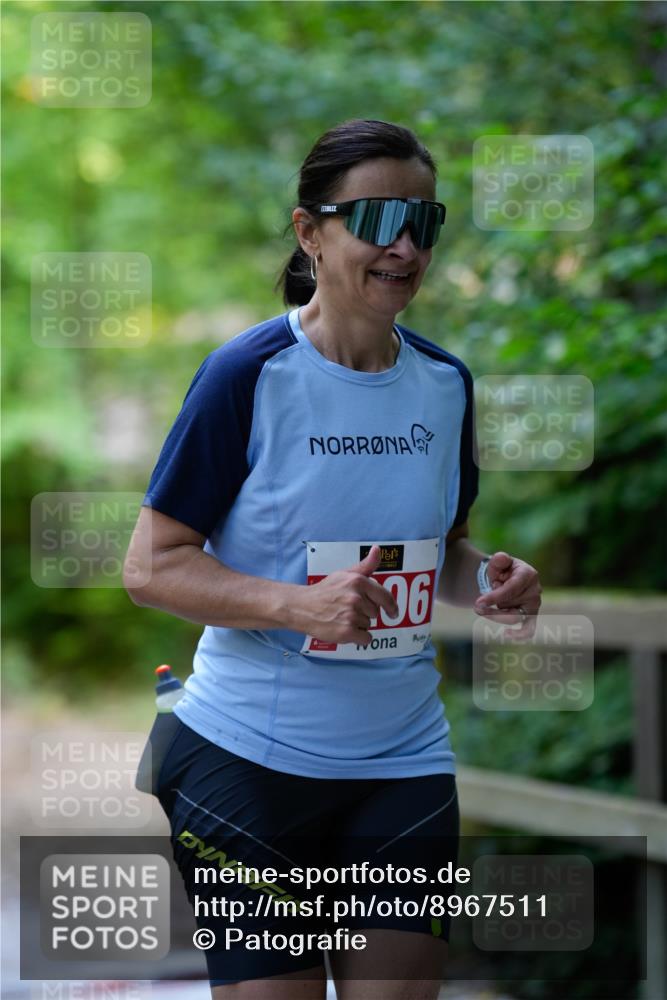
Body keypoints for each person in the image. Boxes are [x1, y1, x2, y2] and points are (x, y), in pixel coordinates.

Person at [124, 118, 542, 1000]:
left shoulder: (444, 383)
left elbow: (445, 551)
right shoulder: (248, 374)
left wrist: (492, 578)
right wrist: (294, 606)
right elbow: (153, 566)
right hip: (246, 757)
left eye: (422, 222)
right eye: (376, 218)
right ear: (310, 232)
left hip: (401, 758)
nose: (402, 245)